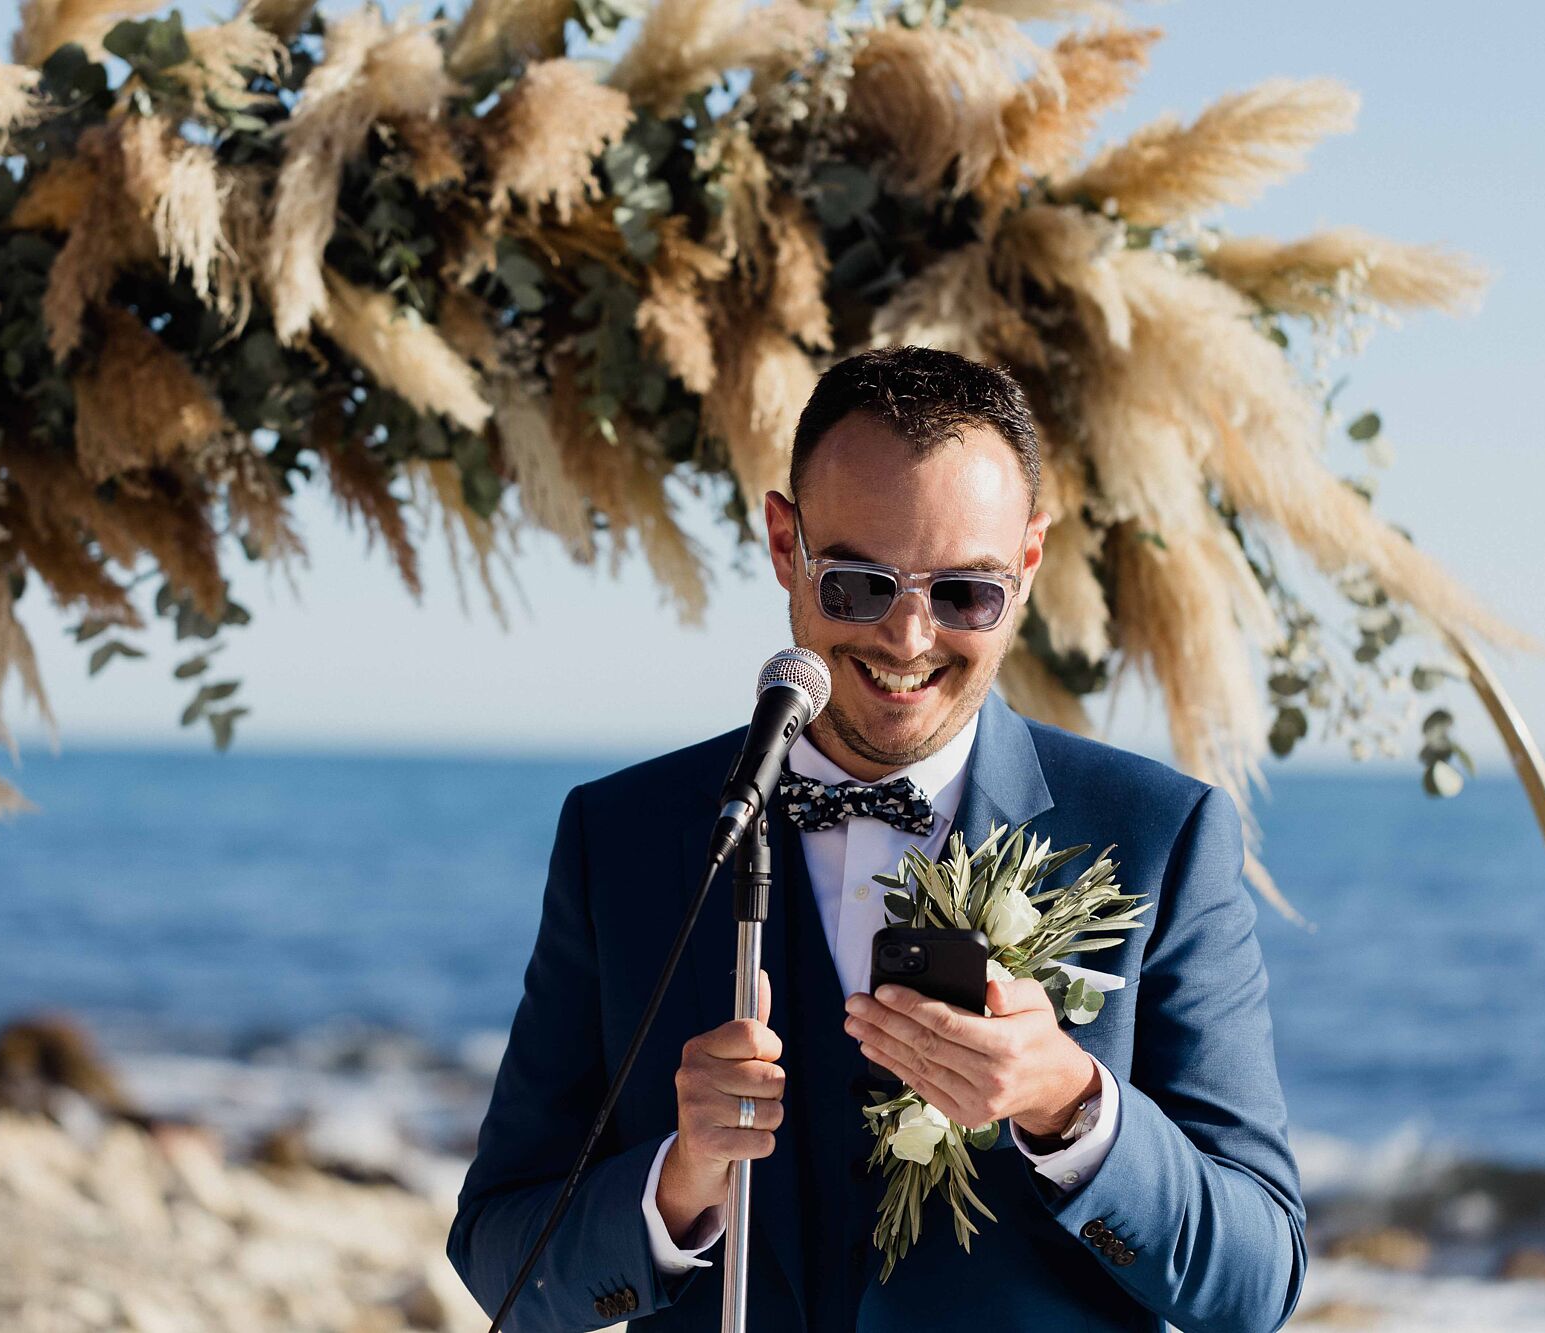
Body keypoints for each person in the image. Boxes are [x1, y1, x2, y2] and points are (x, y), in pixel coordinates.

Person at [446, 346, 1306, 1331]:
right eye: (857, 583)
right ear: (783, 543)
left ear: (1025, 566)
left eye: (962, 593)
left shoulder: (1159, 835)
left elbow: (1254, 1285)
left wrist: (1069, 1103)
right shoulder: (623, 835)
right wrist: (677, 1184)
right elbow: (498, 1254)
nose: (906, 638)